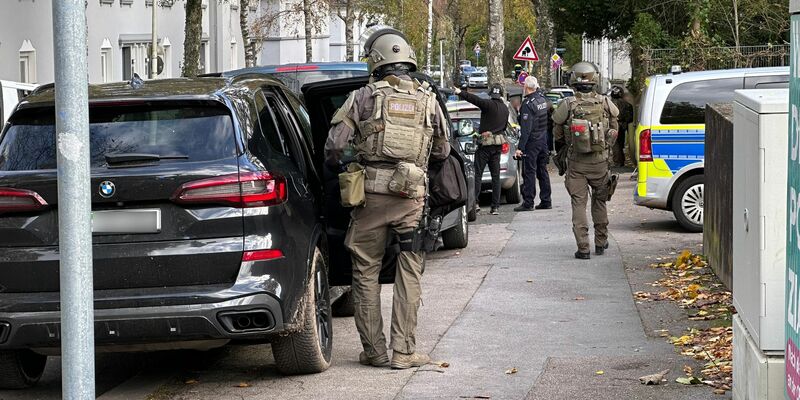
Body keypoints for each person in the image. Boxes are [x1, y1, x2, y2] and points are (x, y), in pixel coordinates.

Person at [325, 25, 451, 369]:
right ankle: (404, 352)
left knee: (365, 270)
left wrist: (343, 166)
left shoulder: (363, 97)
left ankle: (375, 352)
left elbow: (334, 147)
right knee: (409, 271)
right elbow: (443, 150)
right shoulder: (428, 99)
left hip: (370, 198)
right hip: (411, 198)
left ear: (376, 61)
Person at [552, 61, 619, 260]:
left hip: (577, 164)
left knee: (578, 204)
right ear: (595, 79)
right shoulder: (605, 102)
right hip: (600, 162)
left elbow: (557, 134)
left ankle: (583, 248)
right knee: (600, 202)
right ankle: (600, 242)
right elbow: (614, 129)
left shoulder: (568, 104)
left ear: (573, 80)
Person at [453, 83, 510, 215]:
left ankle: (475, 203)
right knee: (496, 177)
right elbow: (504, 128)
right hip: (498, 145)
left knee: (477, 174)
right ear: (501, 94)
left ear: (491, 94)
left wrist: (460, 92)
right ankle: (495, 207)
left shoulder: (488, 104)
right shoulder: (505, 109)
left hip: (484, 146)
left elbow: (475, 99)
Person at [514, 76, 552, 212]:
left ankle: (528, 202)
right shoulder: (542, 100)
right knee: (542, 171)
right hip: (543, 140)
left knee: (529, 172)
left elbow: (526, 129)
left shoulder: (528, 104)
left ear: (526, 87)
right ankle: (546, 200)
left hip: (532, 142)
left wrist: (520, 148)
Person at [609, 86, 634, 167]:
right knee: (620, 144)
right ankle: (621, 161)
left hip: (613, 125)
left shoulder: (610, 104)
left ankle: (618, 162)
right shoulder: (627, 105)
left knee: (615, 144)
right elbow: (630, 118)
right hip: (623, 126)